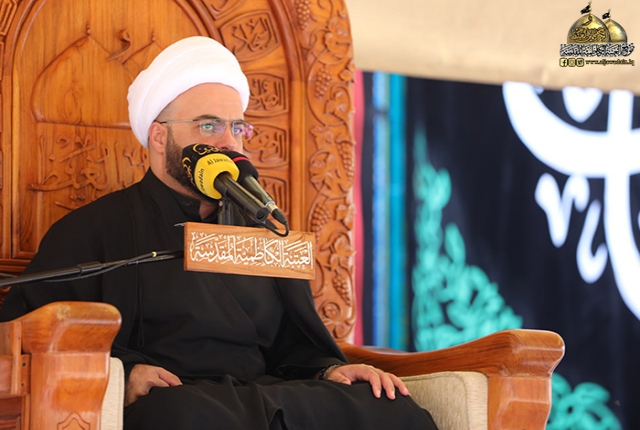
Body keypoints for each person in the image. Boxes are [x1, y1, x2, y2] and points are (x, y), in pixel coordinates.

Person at [0, 36, 438, 430]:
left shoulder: (264, 228)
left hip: (267, 396)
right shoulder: (95, 228)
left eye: (237, 127)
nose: (228, 142)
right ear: (159, 137)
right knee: (183, 416)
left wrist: (328, 371)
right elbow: (30, 335)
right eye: (209, 125)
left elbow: (295, 346)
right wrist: (125, 372)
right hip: (181, 398)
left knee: (391, 408)